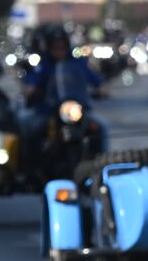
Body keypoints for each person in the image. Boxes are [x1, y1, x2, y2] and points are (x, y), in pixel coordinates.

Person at [20, 27, 107, 165]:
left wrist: (102, 89)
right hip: (49, 110)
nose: (59, 51)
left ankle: (102, 164)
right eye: (55, 48)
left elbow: (95, 79)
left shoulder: (77, 63)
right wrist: (31, 89)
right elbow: (32, 81)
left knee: (102, 127)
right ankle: (28, 167)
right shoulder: (44, 64)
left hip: (77, 109)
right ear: (49, 48)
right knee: (27, 126)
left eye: (62, 47)